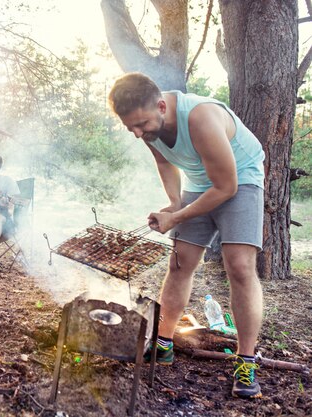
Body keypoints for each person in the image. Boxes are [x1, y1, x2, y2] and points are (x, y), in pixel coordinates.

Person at [108, 72, 265, 399]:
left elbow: (226, 187)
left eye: (142, 124)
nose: (138, 134)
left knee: (238, 266)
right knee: (180, 264)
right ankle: (163, 343)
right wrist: (175, 203)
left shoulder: (201, 117)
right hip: (201, 183)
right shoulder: (150, 126)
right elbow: (165, 162)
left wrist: (176, 218)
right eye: (130, 128)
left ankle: (247, 361)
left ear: (162, 105)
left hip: (241, 179)